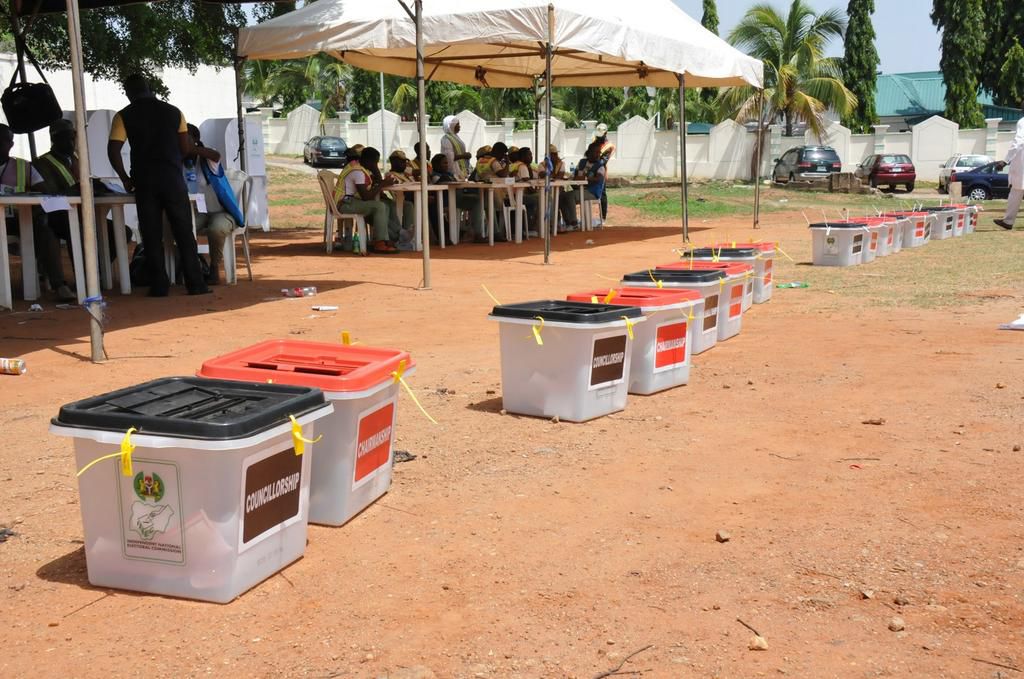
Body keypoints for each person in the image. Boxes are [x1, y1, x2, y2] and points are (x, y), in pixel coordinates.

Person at [107, 74, 210, 296]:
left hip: (145, 181)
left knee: (151, 234)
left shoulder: (123, 116)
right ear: (149, 88)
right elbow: (184, 149)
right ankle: (196, 284)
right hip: (172, 179)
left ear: (128, 93)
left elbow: (113, 149)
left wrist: (125, 178)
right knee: (183, 231)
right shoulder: (175, 112)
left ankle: (159, 285)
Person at [0, 124, 75, 301]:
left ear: (11, 144)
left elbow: (44, 191)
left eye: (5, 141)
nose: (4, 145)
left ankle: (59, 285)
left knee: (46, 232)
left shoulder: (23, 166)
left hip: (18, 221)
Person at [37, 120, 124, 271]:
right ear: (54, 139)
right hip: (57, 216)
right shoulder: (42, 163)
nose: (72, 143)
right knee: (77, 229)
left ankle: (99, 271)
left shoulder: (77, 159)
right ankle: (84, 276)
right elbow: (50, 195)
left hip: (81, 213)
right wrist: (79, 188)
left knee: (121, 231)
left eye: (73, 138)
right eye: (67, 138)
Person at [184, 124, 244, 284]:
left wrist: (193, 150)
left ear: (195, 140)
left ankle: (214, 268)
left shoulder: (207, 159)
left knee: (216, 228)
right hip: (197, 211)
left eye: (185, 137)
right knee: (181, 228)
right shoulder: (180, 161)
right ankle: (186, 268)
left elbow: (216, 155)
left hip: (221, 211)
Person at [333, 146, 399, 254]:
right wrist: (383, 183)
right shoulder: (357, 172)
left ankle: (386, 239)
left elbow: (376, 181)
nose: (376, 166)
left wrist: (376, 171)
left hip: (351, 201)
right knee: (379, 206)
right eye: (375, 163)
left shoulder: (359, 166)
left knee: (384, 205)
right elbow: (366, 197)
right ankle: (380, 243)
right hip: (343, 203)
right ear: (368, 161)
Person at [995, 99, 1024, 231]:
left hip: (1021, 166)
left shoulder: (1022, 122)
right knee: (1016, 192)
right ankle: (1008, 221)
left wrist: (1006, 160)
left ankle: (1008, 221)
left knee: (1016, 191)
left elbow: (1018, 141)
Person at [382, 149, 414, 246]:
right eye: (402, 161)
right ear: (394, 162)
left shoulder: (406, 174)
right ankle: (406, 235)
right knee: (409, 205)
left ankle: (406, 234)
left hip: (409, 198)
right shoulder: (390, 175)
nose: (405, 164)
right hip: (397, 201)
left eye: (405, 161)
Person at [593, 122, 615, 220]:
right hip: (591, 169)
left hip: (601, 171)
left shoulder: (609, 146)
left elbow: (603, 161)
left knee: (602, 194)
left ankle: (603, 217)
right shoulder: (594, 142)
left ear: (606, 133)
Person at [440, 116, 473, 180]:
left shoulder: (456, 137)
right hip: (453, 169)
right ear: (452, 126)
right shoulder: (446, 139)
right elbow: (448, 157)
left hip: (460, 169)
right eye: (457, 124)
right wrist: (463, 156)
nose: (459, 126)